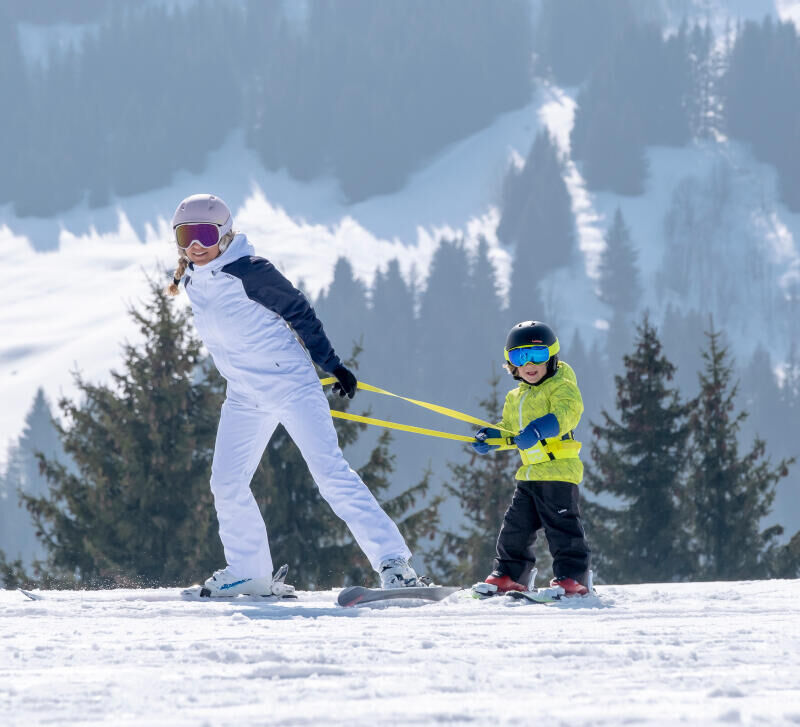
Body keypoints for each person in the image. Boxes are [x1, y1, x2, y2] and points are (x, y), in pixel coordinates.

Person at [166, 193, 420, 597]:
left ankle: (395, 564)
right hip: (245, 395)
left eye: (204, 234)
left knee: (331, 475)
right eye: (185, 235)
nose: (195, 245)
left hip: (291, 387)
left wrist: (332, 364)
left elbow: (299, 312)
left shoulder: (250, 271)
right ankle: (250, 572)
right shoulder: (195, 279)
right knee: (227, 482)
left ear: (226, 234)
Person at [472, 321, 591, 596]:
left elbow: (567, 413)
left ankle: (573, 577)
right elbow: (510, 431)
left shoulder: (562, 386)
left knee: (562, 528)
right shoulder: (516, 397)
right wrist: (491, 438)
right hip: (530, 475)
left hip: (559, 472)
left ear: (551, 356)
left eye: (536, 356)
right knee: (515, 528)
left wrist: (538, 429)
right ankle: (510, 575)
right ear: (511, 363)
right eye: (519, 357)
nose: (529, 364)